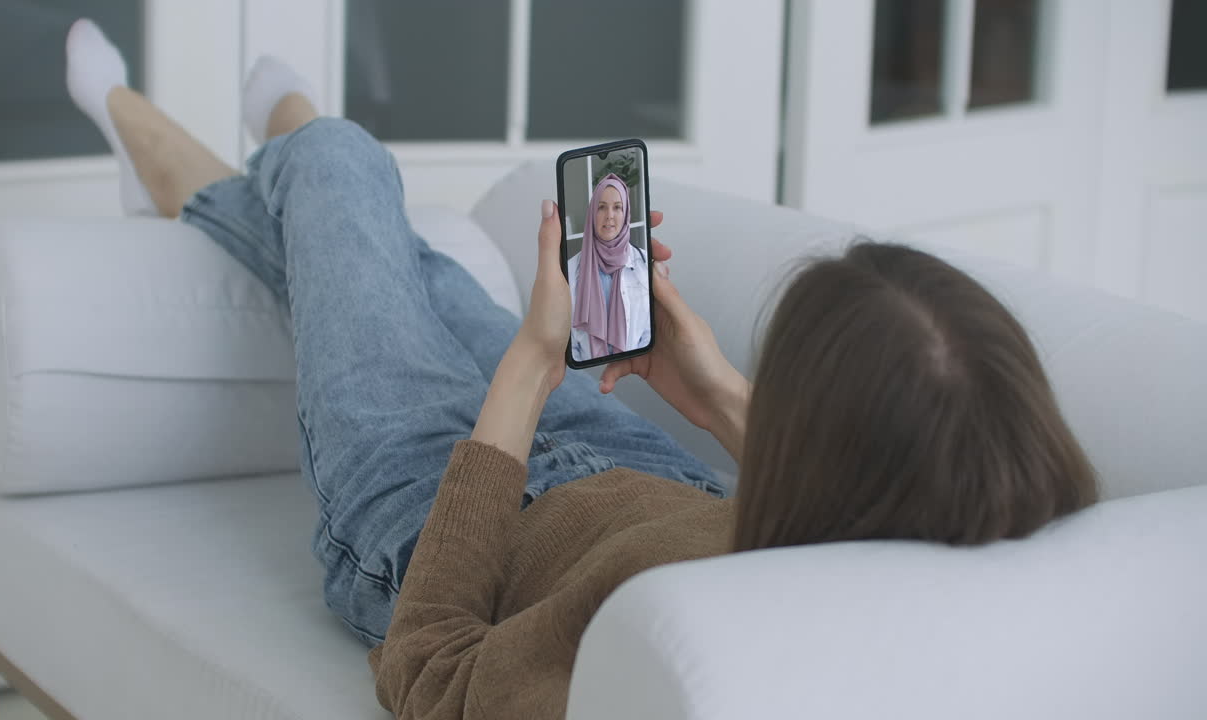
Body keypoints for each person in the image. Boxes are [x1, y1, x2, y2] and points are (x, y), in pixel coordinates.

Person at [66, 19, 1098, 719]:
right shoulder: (949, 548)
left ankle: (175, 121)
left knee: (341, 175)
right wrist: (715, 395)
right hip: (624, 460)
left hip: (432, 512)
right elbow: (839, 518)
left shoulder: (663, 639)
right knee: (395, 258)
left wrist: (529, 362)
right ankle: (250, 135)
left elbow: (428, 672)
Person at [567, 173, 650, 361]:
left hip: (635, 368)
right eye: (601, 207)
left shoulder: (643, 263)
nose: (609, 216)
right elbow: (569, 341)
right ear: (591, 214)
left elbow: (649, 330)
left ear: (626, 213)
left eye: (617, 207)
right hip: (590, 372)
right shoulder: (571, 270)